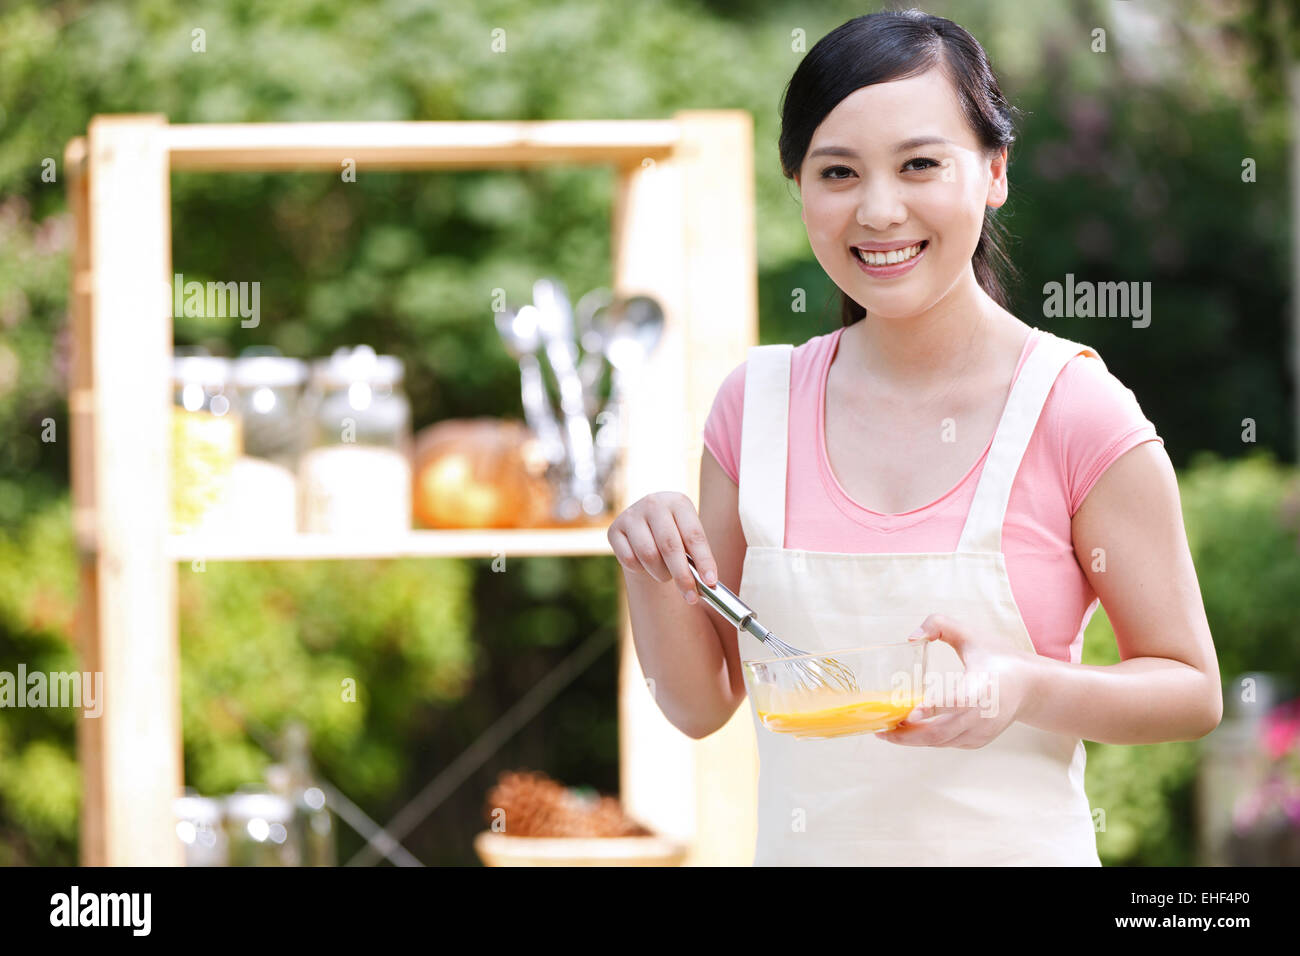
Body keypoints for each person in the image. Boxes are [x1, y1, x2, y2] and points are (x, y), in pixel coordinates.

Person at [607, 9, 1222, 865]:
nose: (880, 209)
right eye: (838, 172)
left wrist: (1024, 685)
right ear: (800, 188)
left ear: (995, 171)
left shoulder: (1074, 407)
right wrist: (649, 563)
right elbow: (701, 703)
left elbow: (1190, 689)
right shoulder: (757, 406)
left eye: (921, 164)